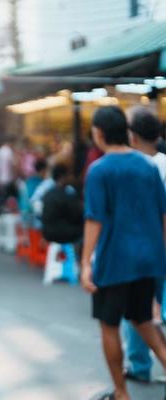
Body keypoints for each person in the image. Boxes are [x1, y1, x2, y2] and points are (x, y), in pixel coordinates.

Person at [81, 106, 166, 400]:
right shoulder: (148, 166)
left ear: (100, 133)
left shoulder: (99, 170)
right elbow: (163, 215)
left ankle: (121, 392)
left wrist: (85, 264)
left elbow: (95, 219)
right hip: (149, 259)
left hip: (114, 260)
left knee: (110, 324)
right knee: (144, 320)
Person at [121, 106, 166, 383]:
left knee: (138, 311)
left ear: (133, 136)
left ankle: (139, 366)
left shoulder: (137, 169)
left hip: (146, 251)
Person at [0, 136, 17, 210]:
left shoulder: (1, 150)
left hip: (1, 178)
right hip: (8, 178)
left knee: (3, 196)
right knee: (7, 197)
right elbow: (12, 165)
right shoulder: (9, 151)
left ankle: (0, 210)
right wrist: (15, 177)